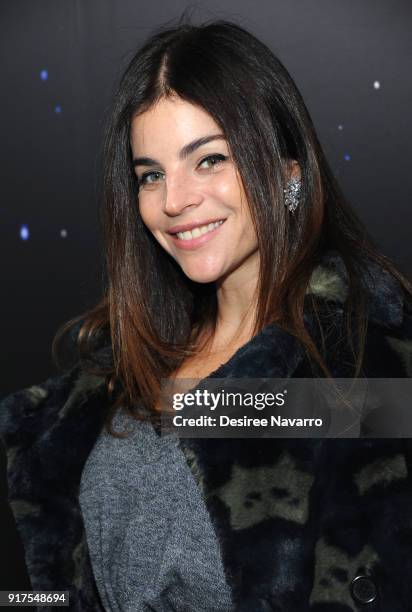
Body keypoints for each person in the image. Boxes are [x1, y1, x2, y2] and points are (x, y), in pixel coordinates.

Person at [1, 16, 412, 612]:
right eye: (151, 174)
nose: (173, 201)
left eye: (210, 159)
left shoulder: (361, 370)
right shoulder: (125, 368)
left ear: (287, 172)